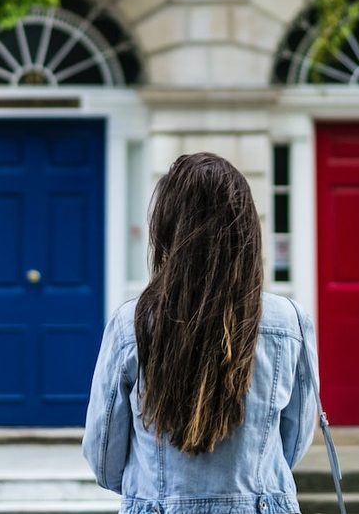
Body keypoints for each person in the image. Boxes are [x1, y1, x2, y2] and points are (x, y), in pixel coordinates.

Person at [82, 152, 318, 514]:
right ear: (247, 231)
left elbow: (104, 457)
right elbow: (294, 441)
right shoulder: (289, 323)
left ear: (166, 230)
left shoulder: (131, 324)